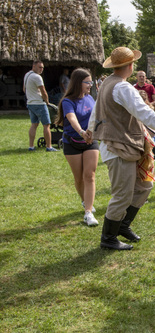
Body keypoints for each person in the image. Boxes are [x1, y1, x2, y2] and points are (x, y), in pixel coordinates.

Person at [88, 46, 155, 250]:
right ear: (130, 66)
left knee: (144, 186)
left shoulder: (109, 83)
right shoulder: (121, 87)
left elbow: (96, 112)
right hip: (118, 147)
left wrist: (90, 129)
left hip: (125, 144)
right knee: (122, 194)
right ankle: (108, 238)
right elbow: (144, 112)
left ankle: (123, 226)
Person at [55, 68, 100, 226]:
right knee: (79, 178)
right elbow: (71, 118)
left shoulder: (90, 99)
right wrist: (81, 132)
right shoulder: (67, 101)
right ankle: (84, 200)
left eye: (91, 82)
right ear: (77, 83)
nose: (90, 85)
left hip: (90, 142)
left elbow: (96, 118)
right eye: (87, 82)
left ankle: (88, 212)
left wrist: (93, 133)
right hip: (72, 141)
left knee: (90, 176)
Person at [23, 60, 58, 152]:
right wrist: (47, 101)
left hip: (30, 103)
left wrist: (31, 95)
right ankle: (49, 146)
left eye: (42, 67)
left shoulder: (27, 75)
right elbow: (43, 91)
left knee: (34, 124)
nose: (41, 69)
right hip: (39, 103)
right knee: (47, 125)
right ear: (33, 66)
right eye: (39, 67)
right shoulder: (37, 77)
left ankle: (31, 146)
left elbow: (24, 89)